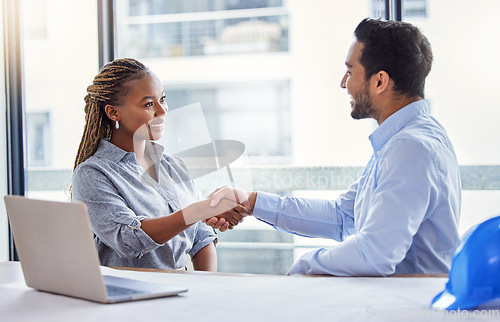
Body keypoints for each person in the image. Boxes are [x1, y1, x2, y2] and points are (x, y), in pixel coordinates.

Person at [207, 18, 461, 276]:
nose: (343, 83)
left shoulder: (409, 148)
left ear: (380, 81)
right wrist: (252, 202)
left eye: (350, 72)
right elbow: (342, 217)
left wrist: (305, 264)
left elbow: (374, 255)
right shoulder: (404, 139)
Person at [72, 58, 246, 271]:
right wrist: (200, 210)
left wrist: (205, 286)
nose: (162, 111)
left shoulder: (174, 166)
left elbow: (202, 237)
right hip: (128, 297)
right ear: (113, 112)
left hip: (182, 293)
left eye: (162, 99)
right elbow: (129, 240)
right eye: (148, 104)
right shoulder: (93, 174)